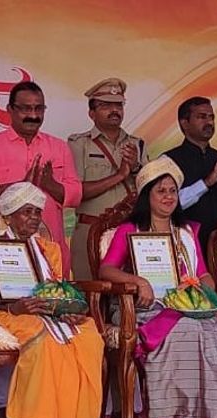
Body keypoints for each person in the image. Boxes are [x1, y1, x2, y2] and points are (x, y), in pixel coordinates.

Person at [99, 157, 217, 418]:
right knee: (190, 332)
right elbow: (106, 270)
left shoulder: (187, 231)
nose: (169, 197)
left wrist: (205, 289)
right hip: (144, 309)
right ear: (147, 196)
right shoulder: (129, 229)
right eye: (161, 191)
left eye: (172, 191)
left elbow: (205, 273)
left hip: (189, 308)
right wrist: (138, 282)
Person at [0, 182, 103, 418]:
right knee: (46, 341)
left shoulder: (48, 249)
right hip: (9, 313)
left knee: (89, 336)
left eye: (37, 212)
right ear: (9, 215)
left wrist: (69, 309)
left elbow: (59, 287)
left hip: (51, 314)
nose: (34, 218)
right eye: (27, 212)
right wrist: (15, 308)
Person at [0, 81, 81, 276]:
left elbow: (75, 195)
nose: (33, 115)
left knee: (53, 301)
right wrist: (21, 187)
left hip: (51, 251)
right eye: (25, 108)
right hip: (5, 252)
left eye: (39, 108)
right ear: (10, 110)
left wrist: (50, 185)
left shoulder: (59, 147)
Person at [68, 77, 149, 281]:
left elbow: (152, 190)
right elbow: (77, 193)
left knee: (133, 296)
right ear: (91, 113)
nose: (115, 110)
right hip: (89, 231)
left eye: (118, 105)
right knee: (89, 295)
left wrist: (136, 168)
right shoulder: (79, 144)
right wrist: (119, 176)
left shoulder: (137, 144)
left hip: (130, 231)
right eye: (106, 105)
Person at [163, 96, 217, 255]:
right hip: (184, 245)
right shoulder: (168, 161)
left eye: (211, 117)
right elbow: (167, 204)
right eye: (201, 117)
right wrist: (205, 184)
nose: (209, 122)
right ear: (184, 123)